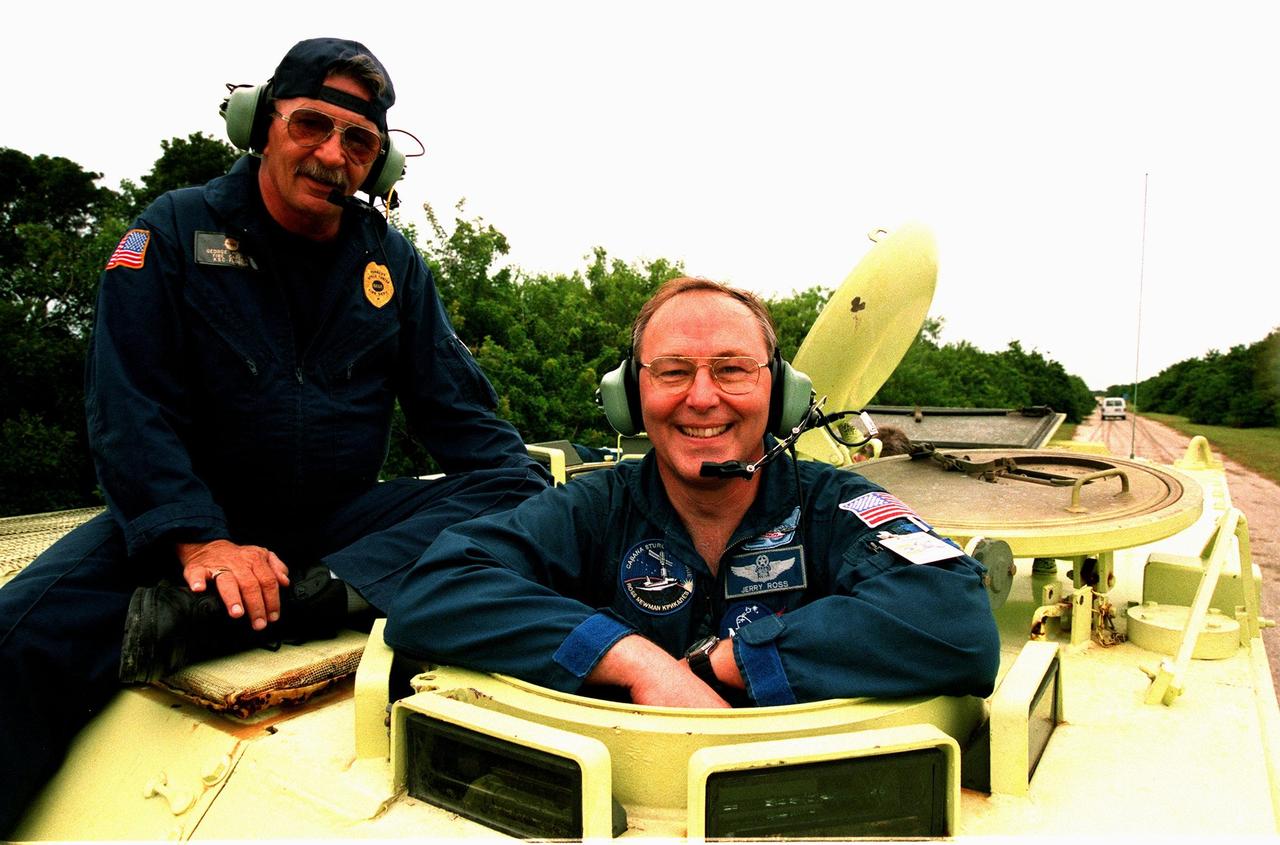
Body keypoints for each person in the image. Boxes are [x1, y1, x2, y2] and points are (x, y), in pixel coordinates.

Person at [0, 37, 547, 834]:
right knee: (15, 645)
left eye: (358, 141)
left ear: (378, 164)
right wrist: (197, 542)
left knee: (523, 486)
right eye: (311, 126)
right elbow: (129, 405)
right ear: (263, 125)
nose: (332, 155)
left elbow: (470, 428)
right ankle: (235, 595)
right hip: (182, 532)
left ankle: (295, 602)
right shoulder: (173, 231)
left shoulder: (391, 265)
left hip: (332, 539)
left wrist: (546, 529)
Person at [384, 277, 1000, 708]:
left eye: (732, 369)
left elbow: (957, 620)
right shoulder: (592, 509)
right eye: (673, 371)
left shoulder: (835, 506)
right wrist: (633, 659)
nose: (701, 398)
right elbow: (436, 584)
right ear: (629, 397)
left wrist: (723, 661)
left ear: (781, 394)